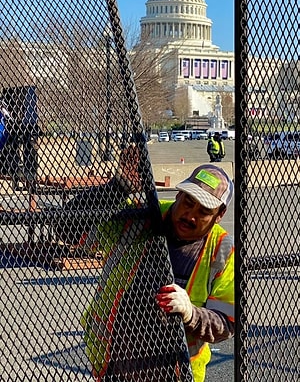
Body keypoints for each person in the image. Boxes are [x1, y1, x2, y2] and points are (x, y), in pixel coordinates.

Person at [78, 149, 234, 382]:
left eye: (203, 212)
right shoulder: (142, 216)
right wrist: (119, 186)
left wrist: (191, 314)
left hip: (175, 370)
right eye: (188, 202)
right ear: (178, 195)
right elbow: (68, 228)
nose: (190, 215)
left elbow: (227, 323)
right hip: (116, 363)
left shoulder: (222, 249)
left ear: (219, 215)